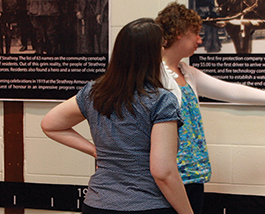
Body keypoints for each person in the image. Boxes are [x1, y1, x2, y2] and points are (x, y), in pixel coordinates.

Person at [155, 2, 265, 214]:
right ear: (179, 33)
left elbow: (232, 91)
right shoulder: (154, 76)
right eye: (196, 34)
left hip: (194, 176)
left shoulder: (187, 72)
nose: (200, 40)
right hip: (168, 178)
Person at [41, 18, 194, 214]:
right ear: (152, 54)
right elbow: (163, 172)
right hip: (146, 205)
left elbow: (50, 124)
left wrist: (96, 151)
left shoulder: (94, 92)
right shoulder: (161, 100)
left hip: (97, 205)